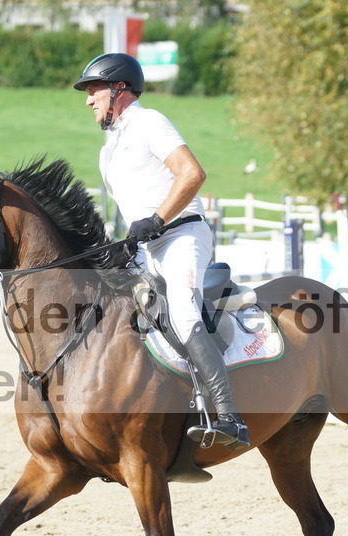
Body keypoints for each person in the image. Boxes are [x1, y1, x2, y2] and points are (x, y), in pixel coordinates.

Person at [73, 53, 249, 450]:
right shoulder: (108, 150)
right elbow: (133, 209)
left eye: (93, 90)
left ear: (119, 89)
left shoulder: (149, 121)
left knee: (183, 309)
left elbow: (192, 174)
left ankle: (228, 415)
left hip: (182, 235)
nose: (88, 100)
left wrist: (156, 220)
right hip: (144, 245)